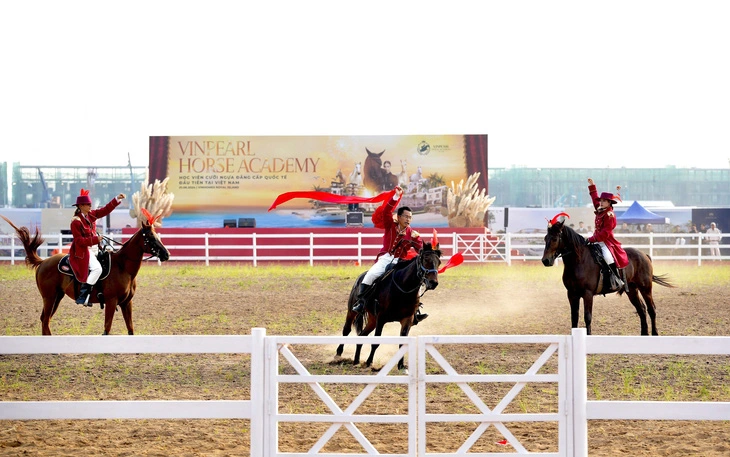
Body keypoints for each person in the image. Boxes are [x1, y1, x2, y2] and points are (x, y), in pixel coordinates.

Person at [352, 186, 427, 323]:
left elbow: (420, 250)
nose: (408, 219)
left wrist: (424, 251)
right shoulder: (390, 225)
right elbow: (386, 210)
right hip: (385, 258)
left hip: (401, 261)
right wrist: (395, 197)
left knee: (415, 282)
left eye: (410, 217)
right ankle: (361, 302)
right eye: (405, 216)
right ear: (398, 217)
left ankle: (415, 311)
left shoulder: (414, 235)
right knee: (372, 274)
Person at [69, 189, 126, 306]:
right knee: (97, 269)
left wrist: (116, 199)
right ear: (81, 206)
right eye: (88, 204)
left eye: (90, 204)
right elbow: (79, 241)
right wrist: (95, 239)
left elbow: (105, 210)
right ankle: (83, 295)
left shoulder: (91, 215)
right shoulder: (76, 222)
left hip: (95, 248)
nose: (90, 206)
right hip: (84, 251)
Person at [587, 178, 629, 292]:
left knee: (607, 257)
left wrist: (592, 238)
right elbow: (594, 198)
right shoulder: (600, 208)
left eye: (604, 201)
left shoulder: (610, 215)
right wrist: (592, 186)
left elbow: (606, 233)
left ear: (609, 202)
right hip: (596, 238)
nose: (601, 202)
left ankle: (617, 279)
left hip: (606, 241)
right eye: (601, 200)